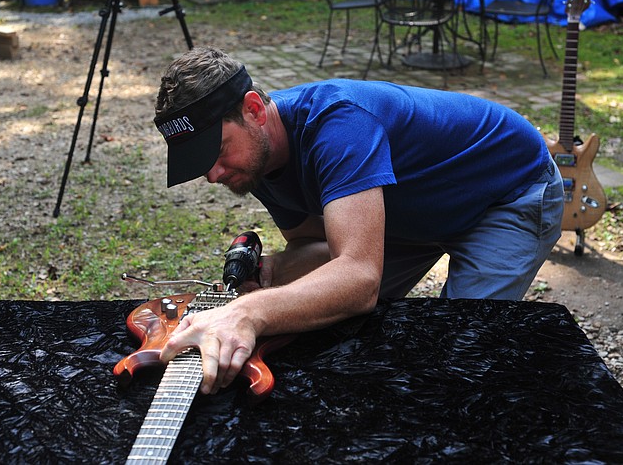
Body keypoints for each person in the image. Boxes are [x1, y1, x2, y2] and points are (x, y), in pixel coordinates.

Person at [153, 46, 563, 395]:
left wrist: (247, 312)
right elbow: (319, 247)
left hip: (505, 191)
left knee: (456, 350)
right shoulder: (255, 162)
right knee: (315, 318)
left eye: (219, 151)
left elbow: (358, 278)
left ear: (255, 110)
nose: (214, 174)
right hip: (409, 208)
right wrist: (271, 273)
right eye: (201, 164)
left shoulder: (340, 125)